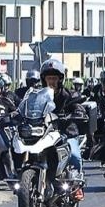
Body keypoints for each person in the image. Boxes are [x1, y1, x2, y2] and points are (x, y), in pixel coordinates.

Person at [37, 56, 89, 187]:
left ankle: (77, 186)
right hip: (44, 133)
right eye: (49, 78)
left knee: (75, 155)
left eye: (54, 78)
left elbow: (78, 107)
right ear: (44, 79)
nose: (51, 81)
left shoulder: (69, 95)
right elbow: (28, 108)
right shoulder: (38, 95)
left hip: (66, 132)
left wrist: (77, 113)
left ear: (60, 79)